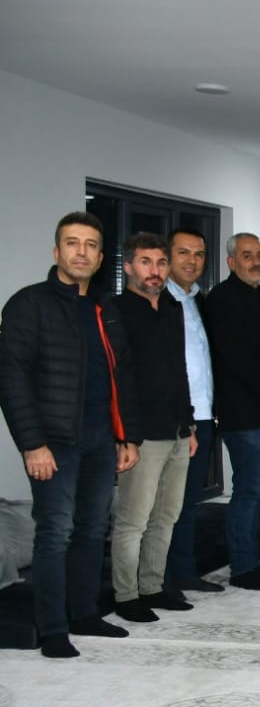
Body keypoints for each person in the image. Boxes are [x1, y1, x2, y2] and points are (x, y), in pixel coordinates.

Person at [0, 211, 142, 658]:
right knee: (55, 532)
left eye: (91, 245)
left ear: (100, 258)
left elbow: (122, 377)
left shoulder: (105, 309)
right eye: (73, 243)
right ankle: (53, 629)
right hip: (53, 441)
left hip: (101, 438)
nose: (82, 252)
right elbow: (11, 379)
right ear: (57, 251)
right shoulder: (29, 304)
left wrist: (127, 437)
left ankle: (84, 613)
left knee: (93, 529)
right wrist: (32, 444)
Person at [203, 232, 260, 590]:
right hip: (243, 415)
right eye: (247, 255)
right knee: (247, 491)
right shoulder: (222, 299)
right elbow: (236, 359)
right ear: (231, 262)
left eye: (259, 255)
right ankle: (242, 567)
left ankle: (257, 558)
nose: (255, 261)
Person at [109, 233, 195, 622]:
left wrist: (189, 423)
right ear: (128, 266)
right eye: (146, 262)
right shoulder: (116, 311)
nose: (155, 271)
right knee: (133, 521)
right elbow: (118, 378)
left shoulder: (173, 308)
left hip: (177, 429)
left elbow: (179, 369)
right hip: (140, 434)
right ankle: (126, 596)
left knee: (166, 516)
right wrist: (124, 436)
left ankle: (153, 587)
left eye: (161, 263)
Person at [163, 226, 220, 594]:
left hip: (203, 414)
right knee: (167, 505)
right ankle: (161, 578)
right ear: (168, 256)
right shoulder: (159, 301)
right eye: (183, 252)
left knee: (187, 502)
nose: (192, 261)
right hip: (174, 418)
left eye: (198, 254)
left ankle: (183, 572)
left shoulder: (199, 301)